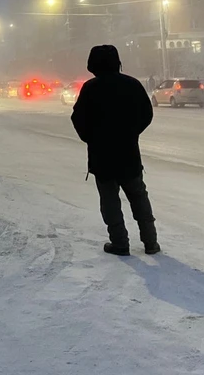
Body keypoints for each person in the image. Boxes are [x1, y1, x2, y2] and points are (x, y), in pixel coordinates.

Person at [71, 44, 160, 257]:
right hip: (128, 153)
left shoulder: (90, 88)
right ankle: (150, 242)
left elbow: (78, 118)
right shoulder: (132, 84)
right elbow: (146, 114)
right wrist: (131, 133)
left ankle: (120, 243)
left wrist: (91, 138)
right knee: (139, 196)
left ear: (92, 64)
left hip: (102, 157)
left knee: (110, 201)